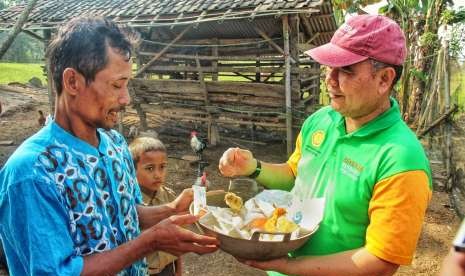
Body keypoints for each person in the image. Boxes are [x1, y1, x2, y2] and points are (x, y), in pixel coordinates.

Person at [0, 16, 218, 275]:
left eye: (127, 84)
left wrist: (172, 209)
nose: (126, 99)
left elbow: (126, 213)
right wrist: (149, 243)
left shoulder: (114, 144)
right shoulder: (33, 172)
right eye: (116, 85)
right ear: (72, 82)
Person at [219, 14, 431, 276]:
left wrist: (288, 266)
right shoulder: (322, 120)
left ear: (384, 79)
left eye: (345, 70)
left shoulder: (401, 159)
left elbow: (380, 261)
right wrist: (254, 167)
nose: (329, 79)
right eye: (329, 66)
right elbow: (296, 176)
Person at [129, 137, 188, 276]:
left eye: (162, 167)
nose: (158, 174)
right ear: (132, 170)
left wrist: (178, 271)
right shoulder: (130, 205)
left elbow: (176, 239)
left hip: (168, 269)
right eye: (150, 168)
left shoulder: (170, 198)